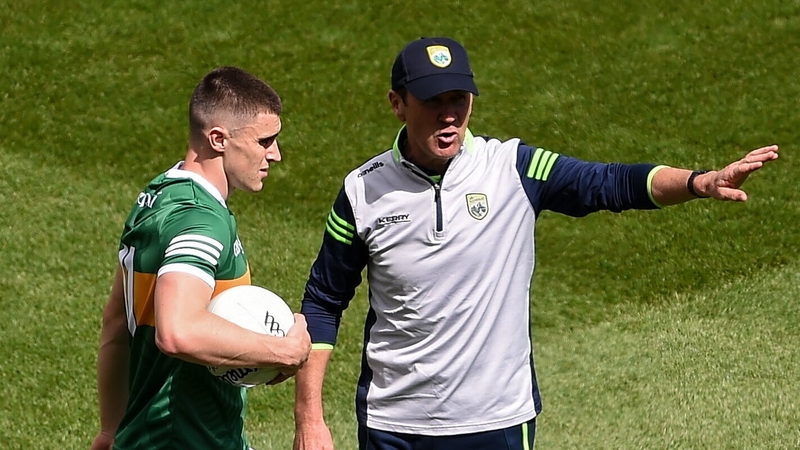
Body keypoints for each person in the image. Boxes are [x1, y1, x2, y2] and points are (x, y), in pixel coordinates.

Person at [292, 37, 779, 450]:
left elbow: (608, 183)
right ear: (397, 103)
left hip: (499, 421)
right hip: (395, 427)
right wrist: (309, 418)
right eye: (432, 102)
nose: (449, 116)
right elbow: (323, 301)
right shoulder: (363, 190)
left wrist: (700, 181)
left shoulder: (513, 168)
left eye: (458, 100)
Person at [90, 66, 312, 450]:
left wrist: (111, 429)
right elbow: (178, 332)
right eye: (265, 141)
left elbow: (115, 325)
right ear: (218, 139)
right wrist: (284, 350)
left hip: (144, 438)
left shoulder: (157, 197)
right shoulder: (200, 222)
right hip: (186, 440)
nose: (275, 154)